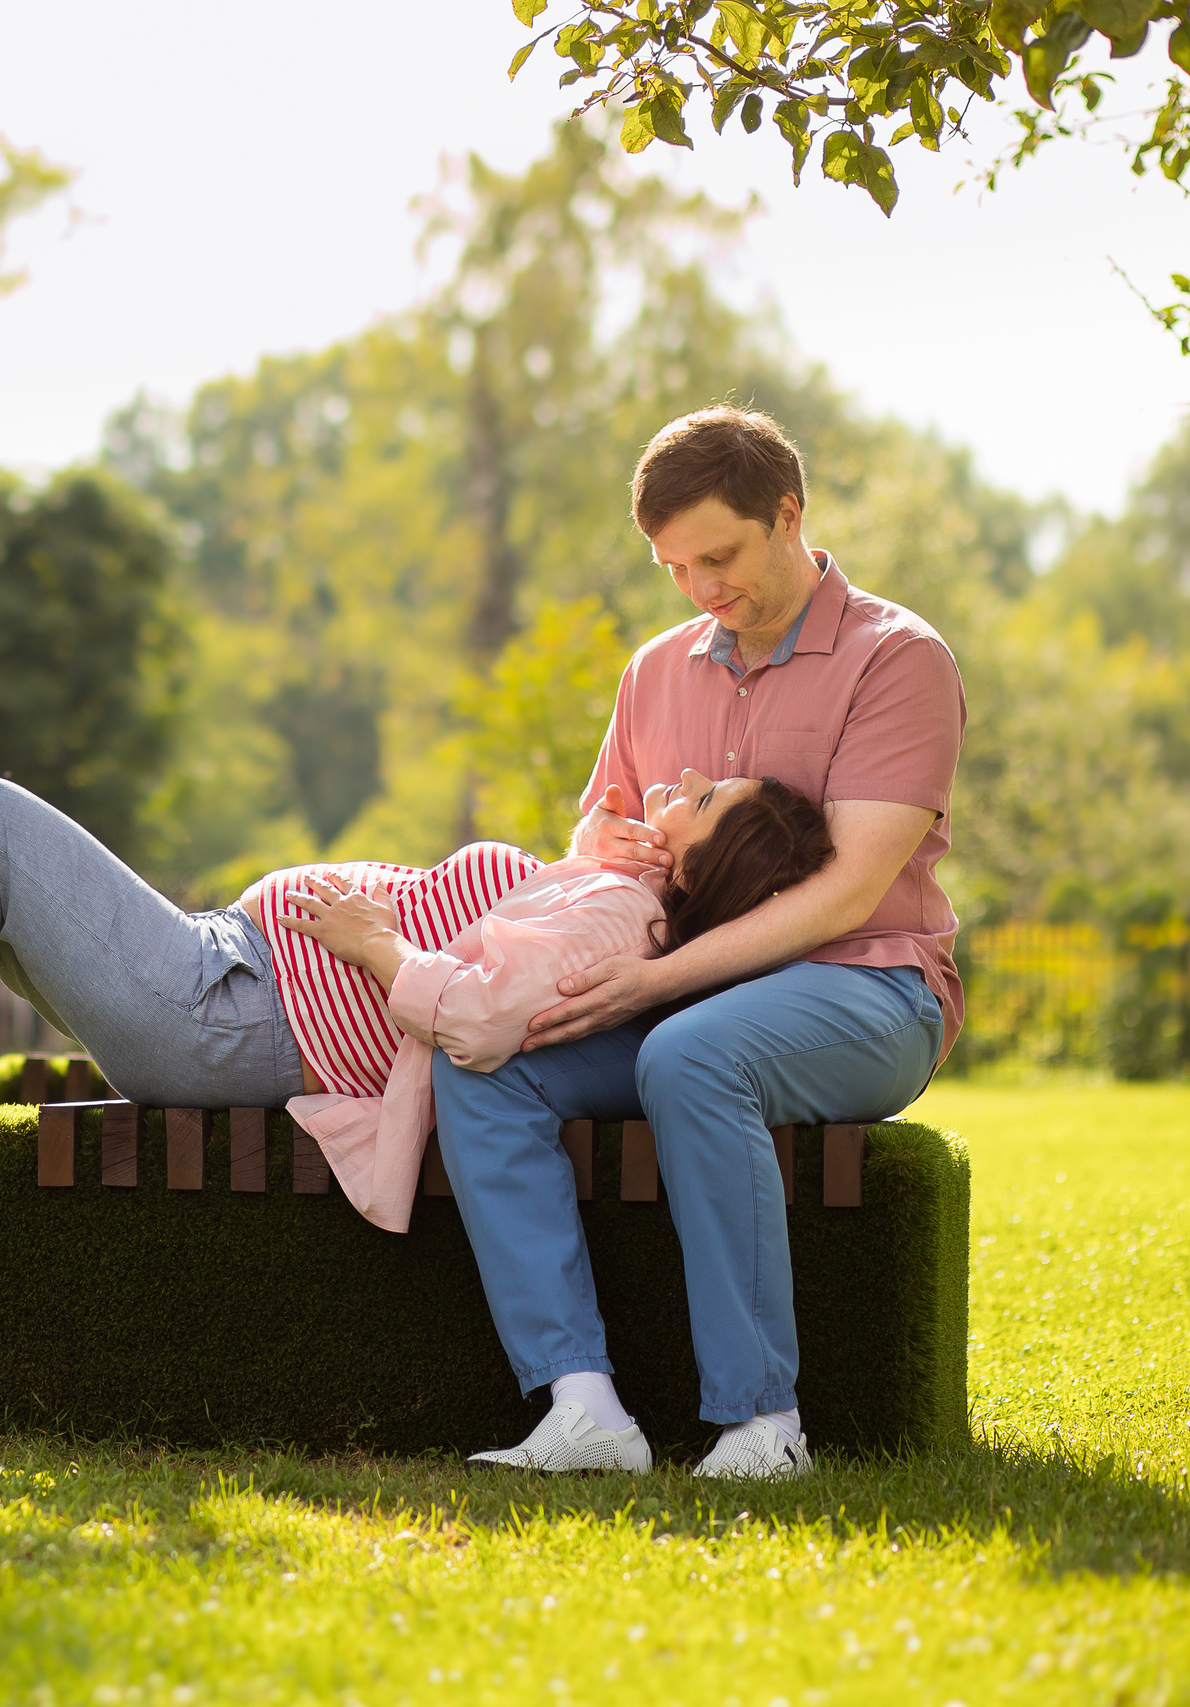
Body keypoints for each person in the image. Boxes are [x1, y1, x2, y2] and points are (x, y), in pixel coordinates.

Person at [0, 764, 835, 1227]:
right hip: (224, 974)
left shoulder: (623, 918)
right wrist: (600, 846)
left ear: (701, 862)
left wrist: (373, 939)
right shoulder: (605, 885)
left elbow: (482, 1008)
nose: (676, 788)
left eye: (703, 802)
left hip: (230, 1013)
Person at [435, 406, 965, 1483]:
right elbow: (598, 842)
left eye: (717, 556)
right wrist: (598, 846)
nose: (699, 589)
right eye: (672, 567)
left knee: (694, 1054)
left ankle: (761, 1425)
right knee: (490, 1062)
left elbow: (845, 894)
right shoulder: (654, 671)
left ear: (788, 514)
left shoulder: (895, 659)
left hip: (866, 991)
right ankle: (582, 1406)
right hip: (670, 995)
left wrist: (653, 984)